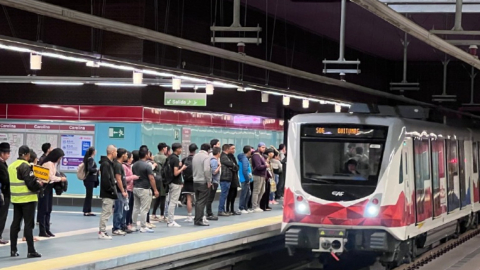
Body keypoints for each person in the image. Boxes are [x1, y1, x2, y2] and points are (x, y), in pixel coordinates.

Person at [9, 146, 42, 258]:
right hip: (28, 199)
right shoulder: (26, 166)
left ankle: (13, 250)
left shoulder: (11, 166)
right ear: (27, 155)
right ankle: (31, 251)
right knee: (29, 225)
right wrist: (40, 185)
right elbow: (31, 184)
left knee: (15, 224)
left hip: (16, 199)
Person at [38, 148, 67, 238]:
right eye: (60, 157)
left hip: (49, 187)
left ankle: (47, 229)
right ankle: (42, 230)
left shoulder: (53, 164)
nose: (60, 159)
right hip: (45, 187)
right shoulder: (48, 164)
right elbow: (50, 177)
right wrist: (60, 179)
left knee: (48, 209)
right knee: (44, 209)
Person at [132, 148, 159, 233]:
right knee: (144, 209)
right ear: (146, 154)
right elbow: (151, 178)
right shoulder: (147, 165)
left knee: (136, 207)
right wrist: (155, 190)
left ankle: (134, 225)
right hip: (144, 189)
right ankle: (143, 226)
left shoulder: (134, 165)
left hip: (135, 187)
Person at [98, 145, 118, 240]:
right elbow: (106, 179)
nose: (117, 154)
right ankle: (102, 231)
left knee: (108, 211)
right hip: (107, 192)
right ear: (112, 152)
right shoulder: (106, 164)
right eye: (116, 152)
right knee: (106, 212)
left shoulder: (109, 163)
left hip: (109, 192)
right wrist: (111, 189)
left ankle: (103, 230)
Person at [166, 143, 187, 228]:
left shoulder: (170, 157)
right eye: (180, 148)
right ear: (177, 149)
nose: (181, 150)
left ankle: (169, 219)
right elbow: (176, 173)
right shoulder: (175, 159)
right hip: (175, 183)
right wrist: (182, 168)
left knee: (171, 201)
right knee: (173, 202)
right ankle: (171, 221)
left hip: (170, 182)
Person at [192, 143, 211, 226]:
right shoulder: (206, 157)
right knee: (202, 202)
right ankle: (199, 220)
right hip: (203, 182)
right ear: (208, 149)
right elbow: (207, 170)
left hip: (195, 181)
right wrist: (209, 181)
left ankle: (196, 218)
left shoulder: (195, 156)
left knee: (197, 201)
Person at [112, 148, 129, 235]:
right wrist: (123, 191)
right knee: (118, 210)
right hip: (118, 191)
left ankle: (118, 226)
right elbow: (118, 179)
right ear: (123, 155)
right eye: (126, 154)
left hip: (119, 190)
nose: (127, 156)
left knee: (120, 209)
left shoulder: (118, 164)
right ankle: (116, 228)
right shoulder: (118, 165)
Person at [152, 142, 168, 222]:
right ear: (164, 148)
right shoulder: (165, 158)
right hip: (162, 178)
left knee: (157, 196)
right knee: (163, 197)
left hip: (155, 178)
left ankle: (154, 214)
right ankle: (162, 215)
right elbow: (166, 170)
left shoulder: (154, 157)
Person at [123, 151, 138, 231]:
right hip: (127, 189)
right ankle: (126, 224)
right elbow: (124, 178)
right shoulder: (124, 167)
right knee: (126, 208)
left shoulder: (129, 166)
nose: (132, 159)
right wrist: (133, 177)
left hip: (131, 189)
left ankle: (129, 223)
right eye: (131, 157)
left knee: (130, 207)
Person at [181, 143, 197, 222]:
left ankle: (189, 216)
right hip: (196, 181)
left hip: (187, 181)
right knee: (198, 199)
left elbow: (181, 170)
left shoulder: (185, 159)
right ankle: (199, 215)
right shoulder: (197, 159)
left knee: (188, 199)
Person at [251, 143, 268, 212]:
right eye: (262, 147)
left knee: (262, 191)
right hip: (258, 175)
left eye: (264, 147)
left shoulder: (261, 155)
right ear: (258, 147)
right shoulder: (256, 156)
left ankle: (257, 205)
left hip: (262, 175)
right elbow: (258, 166)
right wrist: (265, 166)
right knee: (256, 191)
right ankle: (254, 206)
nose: (263, 149)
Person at [82, 147, 99, 216]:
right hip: (90, 179)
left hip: (88, 180)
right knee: (89, 195)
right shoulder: (90, 159)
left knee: (89, 195)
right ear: (93, 152)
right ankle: (86, 210)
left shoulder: (87, 159)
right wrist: (96, 169)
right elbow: (90, 169)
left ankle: (88, 210)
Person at [205, 147, 221, 221]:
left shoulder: (211, 160)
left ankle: (208, 212)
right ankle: (209, 213)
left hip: (213, 181)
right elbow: (214, 172)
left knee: (210, 198)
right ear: (218, 153)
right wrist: (219, 166)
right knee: (210, 198)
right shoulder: (214, 161)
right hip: (214, 182)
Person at [0, 142, 11, 245]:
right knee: (2, 216)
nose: (9, 155)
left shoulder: (3, 163)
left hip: (3, 193)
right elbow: (5, 179)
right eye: (7, 153)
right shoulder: (1, 164)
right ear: (2, 153)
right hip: (3, 194)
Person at [226, 144, 240, 215]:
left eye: (234, 149)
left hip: (235, 177)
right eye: (232, 149)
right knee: (230, 194)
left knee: (234, 194)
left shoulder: (233, 157)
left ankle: (232, 208)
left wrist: (235, 167)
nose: (233, 150)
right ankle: (227, 209)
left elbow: (236, 167)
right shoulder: (227, 157)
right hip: (230, 178)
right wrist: (235, 167)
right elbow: (232, 166)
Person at [238, 145, 253, 214]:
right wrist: (247, 179)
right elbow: (244, 170)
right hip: (244, 179)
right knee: (244, 194)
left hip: (245, 179)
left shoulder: (245, 158)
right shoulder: (244, 159)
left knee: (248, 193)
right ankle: (241, 207)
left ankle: (245, 207)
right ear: (248, 151)